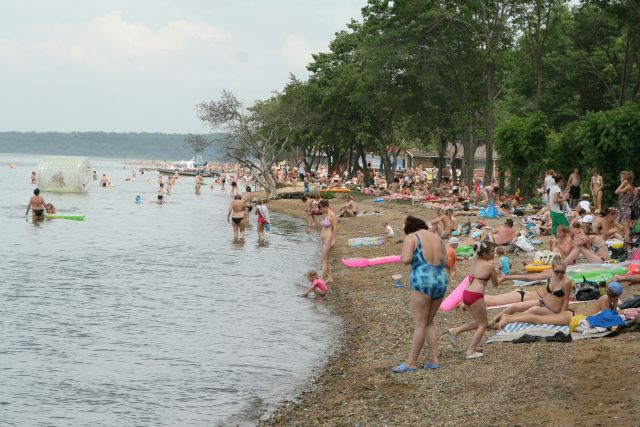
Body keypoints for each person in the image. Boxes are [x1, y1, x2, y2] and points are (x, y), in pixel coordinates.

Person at [392, 215, 448, 372]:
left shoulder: (412, 237)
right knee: (429, 322)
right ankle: (434, 360)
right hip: (440, 280)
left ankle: (412, 362)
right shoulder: (437, 238)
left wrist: (404, 254)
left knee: (420, 324)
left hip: (422, 280)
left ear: (408, 228)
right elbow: (444, 260)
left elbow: (406, 259)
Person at [448, 241, 499, 359]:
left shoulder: (475, 259)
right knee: (483, 324)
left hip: (466, 293)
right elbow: (495, 284)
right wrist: (498, 275)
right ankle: (471, 351)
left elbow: (477, 250)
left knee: (477, 322)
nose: (494, 254)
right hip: (476, 294)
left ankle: (455, 331)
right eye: (492, 252)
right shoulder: (490, 265)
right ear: (485, 254)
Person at [495, 259, 573, 328]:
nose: (559, 274)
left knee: (530, 312)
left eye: (562, 272)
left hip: (548, 307)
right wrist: (506, 277)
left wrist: (561, 315)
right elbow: (529, 278)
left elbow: (566, 301)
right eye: (557, 272)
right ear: (552, 269)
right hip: (542, 301)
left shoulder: (566, 282)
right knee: (515, 307)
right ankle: (493, 322)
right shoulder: (551, 275)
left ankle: (505, 319)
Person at [318, 200, 337, 283]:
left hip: (328, 239)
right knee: (327, 259)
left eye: (321, 208)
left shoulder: (332, 215)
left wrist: (333, 240)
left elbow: (335, 228)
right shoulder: (326, 214)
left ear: (325, 206)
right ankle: (330, 278)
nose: (320, 210)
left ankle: (321, 279)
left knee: (324, 259)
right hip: (324, 239)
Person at [615, 171, 636, 243]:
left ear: (625, 179)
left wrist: (622, 183)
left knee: (626, 230)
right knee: (624, 229)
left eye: (621, 177)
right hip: (623, 210)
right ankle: (628, 244)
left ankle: (629, 247)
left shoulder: (628, 186)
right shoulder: (627, 186)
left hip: (625, 211)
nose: (620, 179)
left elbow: (616, 191)